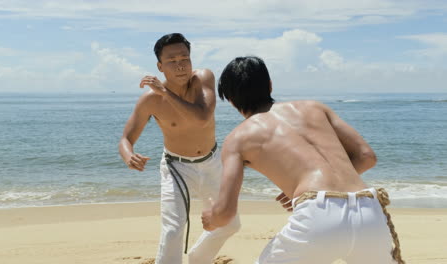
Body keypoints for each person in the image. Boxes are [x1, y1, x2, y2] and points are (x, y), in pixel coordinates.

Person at [201, 56, 404, 264]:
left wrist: (211, 218)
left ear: (231, 100)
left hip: (318, 216)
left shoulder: (238, 138)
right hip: (369, 210)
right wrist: (321, 188)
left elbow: (225, 212)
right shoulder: (315, 108)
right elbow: (366, 156)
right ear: (270, 85)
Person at [118, 33, 240, 264]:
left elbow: (203, 117)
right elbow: (125, 139)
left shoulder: (203, 78)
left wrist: (166, 93)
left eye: (185, 58)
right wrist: (129, 155)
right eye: (172, 61)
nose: (180, 65)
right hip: (176, 168)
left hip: (212, 162)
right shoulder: (150, 101)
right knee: (173, 230)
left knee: (230, 222)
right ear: (160, 66)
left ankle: (198, 259)